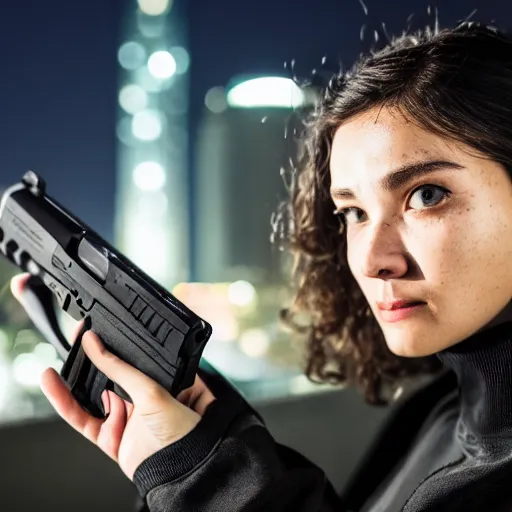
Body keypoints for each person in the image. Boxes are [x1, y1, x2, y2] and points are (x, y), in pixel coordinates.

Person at [10, 19, 512, 511]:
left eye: (426, 195)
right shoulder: (439, 414)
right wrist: (214, 442)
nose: (372, 258)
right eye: (353, 212)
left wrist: (207, 480)